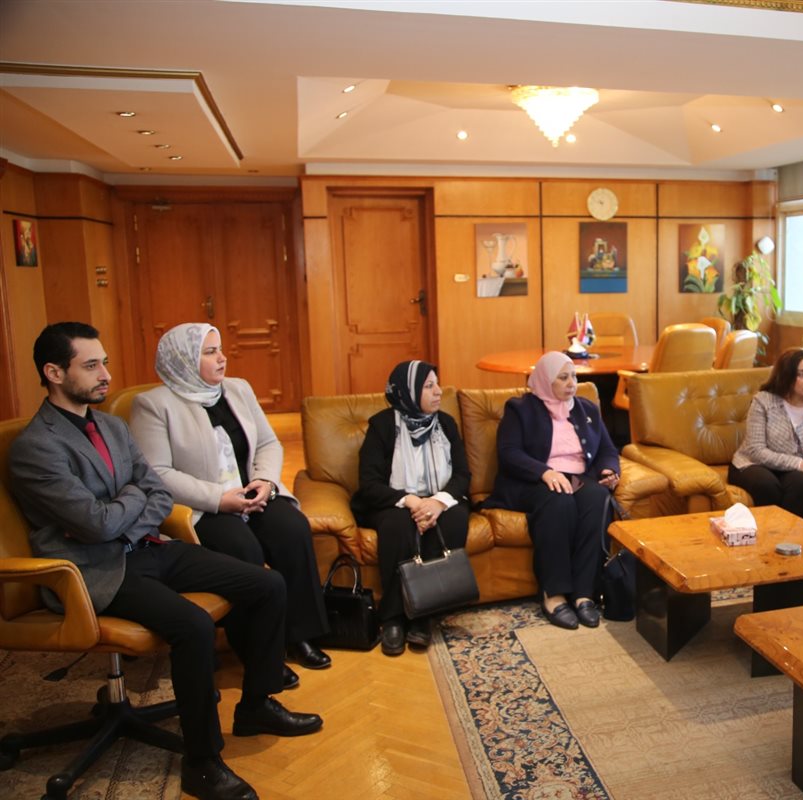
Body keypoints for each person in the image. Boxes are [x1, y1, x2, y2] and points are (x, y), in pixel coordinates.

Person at [8, 322, 322, 800]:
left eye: (104, 362)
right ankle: (202, 763)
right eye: (91, 365)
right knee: (193, 624)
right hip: (93, 571)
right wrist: (128, 504)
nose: (106, 374)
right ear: (53, 373)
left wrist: (125, 508)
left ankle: (256, 705)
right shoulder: (35, 447)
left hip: (147, 546)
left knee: (266, 584)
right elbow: (96, 525)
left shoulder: (111, 425)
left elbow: (154, 491)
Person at [130, 323, 331, 675]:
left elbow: (268, 443)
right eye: (210, 352)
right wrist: (219, 499)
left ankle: (299, 634)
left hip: (253, 492)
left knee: (292, 529)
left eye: (220, 349)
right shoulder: (154, 405)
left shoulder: (238, 389)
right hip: (203, 506)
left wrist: (265, 481)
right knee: (242, 549)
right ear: (183, 360)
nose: (222, 358)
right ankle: (258, 653)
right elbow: (158, 473)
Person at [484, 352, 620, 630]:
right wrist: (544, 472)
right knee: (559, 501)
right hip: (533, 481)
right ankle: (554, 594)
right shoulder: (520, 409)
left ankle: (584, 594)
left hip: (578, 478)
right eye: (563, 378)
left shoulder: (586, 408)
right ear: (546, 380)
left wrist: (608, 470)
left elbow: (607, 449)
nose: (572, 383)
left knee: (598, 499)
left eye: (574, 377)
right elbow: (509, 452)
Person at [350, 361, 471, 656]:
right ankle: (393, 617)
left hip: (438, 499)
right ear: (408, 391)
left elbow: (462, 475)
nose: (439, 391)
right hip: (394, 500)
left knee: (455, 519)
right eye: (429, 386)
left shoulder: (446, 424)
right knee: (398, 526)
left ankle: (424, 615)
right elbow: (370, 483)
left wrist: (438, 502)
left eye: (437, 384)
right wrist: (412, 501)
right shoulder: (382, 426)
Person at [728, 347, 803, 518]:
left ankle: (790, 535)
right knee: (767, 485)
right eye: (802, 374)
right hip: (754, 464)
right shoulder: (763, 401)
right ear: (786, 376)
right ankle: (770, 533)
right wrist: (800, 464)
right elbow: (756, 450)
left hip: (798, 471)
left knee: (802, 483)